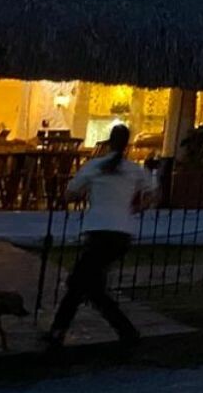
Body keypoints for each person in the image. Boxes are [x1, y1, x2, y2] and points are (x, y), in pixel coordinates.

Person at [44, 124, 155, 351]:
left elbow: (70, 193)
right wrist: (137, 207)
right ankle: (123, 331)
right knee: (90, 286)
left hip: (98, 231)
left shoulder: (94, 167)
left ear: (108, 142)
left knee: (78, 283)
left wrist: (87, 195)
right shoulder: (133, 169)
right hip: (121, 232)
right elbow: (154, 192)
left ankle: (60, 331)